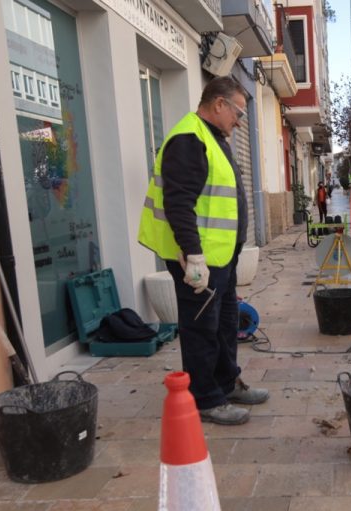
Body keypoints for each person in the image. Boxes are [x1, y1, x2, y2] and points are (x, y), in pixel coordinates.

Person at [138, 76, 268, 425]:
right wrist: (193, 256)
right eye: (238, 111)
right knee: (201, 328)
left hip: (220, 257)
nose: (239, 121)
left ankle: (227, 382)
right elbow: (179, 203)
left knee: (225, 324)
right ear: (219, 104)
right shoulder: (188, 138)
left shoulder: (214, 138)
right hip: (198, 259)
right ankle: (206, 399)